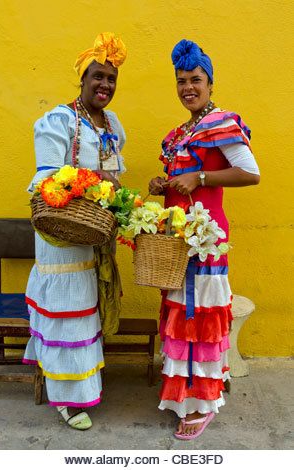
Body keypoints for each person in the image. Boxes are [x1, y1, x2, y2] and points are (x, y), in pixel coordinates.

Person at [149, 39, 260, 440]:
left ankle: (200, 401)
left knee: (199, 319)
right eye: (181, 81)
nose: (187, 87)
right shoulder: (180, 132)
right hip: (179, 239)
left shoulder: (222, 124)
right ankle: (186, 394)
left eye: (195, 79)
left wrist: (200, 176)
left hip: (206, 239)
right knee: (182, 317)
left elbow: (251, 173)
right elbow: (180, 184)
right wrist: (163, 184)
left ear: (210, 84)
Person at [23, 32, 127, 430]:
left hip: (94, 234)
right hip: (62, 237)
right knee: (68, 311)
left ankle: (84, 384)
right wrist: (93, 177)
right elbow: (48, 177)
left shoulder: (112, 124)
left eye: (111, 79)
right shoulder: (58, 121)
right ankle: (68, 400)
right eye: (97, 76)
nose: (104, 85)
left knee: (89, 309)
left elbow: (117, 172)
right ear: (82, 79)